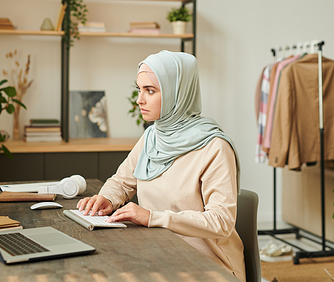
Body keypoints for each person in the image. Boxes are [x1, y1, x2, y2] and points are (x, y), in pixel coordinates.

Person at [77, 50, 245, 281]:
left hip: (208, 265)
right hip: (158, 252)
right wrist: (106, 198)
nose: (139, 100)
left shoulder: (214, 147)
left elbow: (221, 221)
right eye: (139, 89)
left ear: (178, 94)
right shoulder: (152, 137)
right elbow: (122, 181)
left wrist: (152, 217)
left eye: (150, 91)